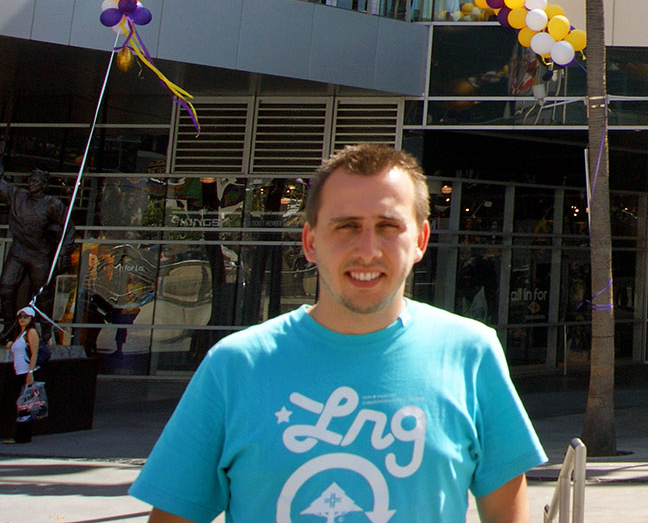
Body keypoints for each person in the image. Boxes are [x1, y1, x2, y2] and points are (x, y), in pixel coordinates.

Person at [132, 144, 544, 523]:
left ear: (420, 240)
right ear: (310, 241)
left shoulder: (470, 353)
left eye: (387, 226)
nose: (368, 249)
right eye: (346, 226)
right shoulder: (235, 364)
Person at [0, 161, 65, 315]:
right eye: (30, 180)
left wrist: (65, 249)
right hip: (18, 252)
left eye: (35, 181)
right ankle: (10, 323)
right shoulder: (18, 196)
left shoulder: (52, 204)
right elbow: (2, 186)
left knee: (42, 294)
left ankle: (45, 327)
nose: (31, 183)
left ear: (43, 184)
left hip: (39, 255)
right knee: (5, 288)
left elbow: (67, 228)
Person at [7, 306, 38, 444]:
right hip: (18, 371)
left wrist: (30, 372)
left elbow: (34, 353)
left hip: (26, 372)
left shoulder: (31, 332)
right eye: (20, 317)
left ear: (31, 319)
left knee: (25, 404)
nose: (22, 319)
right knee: (21, 403)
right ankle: (19, 434)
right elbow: (20, 354)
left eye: (25, 317)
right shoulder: (21, 333)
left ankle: (22, 436)